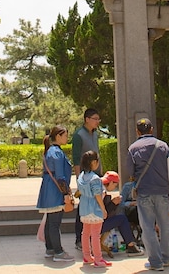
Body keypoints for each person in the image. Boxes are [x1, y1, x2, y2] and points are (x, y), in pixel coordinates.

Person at [128, 118, 169, 272]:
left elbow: (130, 173)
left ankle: (155, 261)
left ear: (137, 131)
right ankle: (166, 258)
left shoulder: (133, 148)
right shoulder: (163, 146)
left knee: (148, 227)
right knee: (165, 225)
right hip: (162, 191)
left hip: (144, 191)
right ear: (152, 129)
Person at [37, 125, 75, 262]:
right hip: (56, 190)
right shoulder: (57, 152)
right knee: (54, 223)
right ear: (58, 136)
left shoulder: (50, 151)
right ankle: (58, 252)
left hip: (49, 189)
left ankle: (50, 248)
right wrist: (65, 192)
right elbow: (60, 175)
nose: (66, 138)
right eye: (65, 135)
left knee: (50, 221)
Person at [72, 108, 102, 250]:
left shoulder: (95, 134)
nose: (97, 121)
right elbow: (76, 159)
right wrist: (79, 180)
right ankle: (80, 238)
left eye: (98, 119)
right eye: (95, 118)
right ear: (87, 119)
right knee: (83, 208)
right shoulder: (79, 135)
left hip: (96, 175)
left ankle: (93, 236)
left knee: (95, 204)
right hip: (85, 177)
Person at [77, 150, 110, 267]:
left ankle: (87, 256)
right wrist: (103, 209)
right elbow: (97, 195)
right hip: (95, 209)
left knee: (85, 233)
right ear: (94, 162)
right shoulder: (95, 178)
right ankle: (98, 258)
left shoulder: (81, 176)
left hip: (84, 208)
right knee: (96, 234)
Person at [99, 171, 144, 255]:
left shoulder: (99, 189)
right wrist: (113, 203)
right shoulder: (102, 192)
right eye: (115, 185)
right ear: (111, 182)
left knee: (120, 217)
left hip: (92, 222)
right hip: (97, 223)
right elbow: (102, 212)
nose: (114, 188)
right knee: (122, 219)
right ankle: (131, 245)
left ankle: (131, 243)